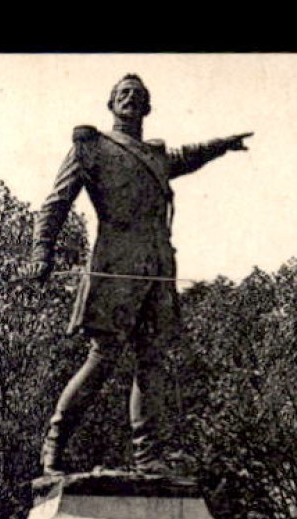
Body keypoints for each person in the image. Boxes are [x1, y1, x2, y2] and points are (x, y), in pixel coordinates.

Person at [28, 74, 253, 475]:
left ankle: (148, 457)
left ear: (147, 108)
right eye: (123, 94)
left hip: (158, 268)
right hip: (116, 265)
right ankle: (54, 445)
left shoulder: (154, 157)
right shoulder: (92, 147)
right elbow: (56, 202)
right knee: (103, 358)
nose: (131, 99)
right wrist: (41, 251)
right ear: (111, 104)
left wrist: (222, 146)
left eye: (138, 95)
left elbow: (188, 156)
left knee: (153, 360)